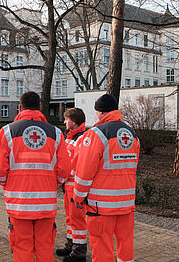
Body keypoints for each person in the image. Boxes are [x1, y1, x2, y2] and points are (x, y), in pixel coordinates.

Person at [0, 91, 70, 261]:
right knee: (45, 249)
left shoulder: (6, 132)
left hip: (18, 203)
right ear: (40, 108)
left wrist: (7, 183)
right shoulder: (56, 133)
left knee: (22, 249)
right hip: (46, 204)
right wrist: (50, 183)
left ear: (20, 108)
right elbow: (64, 170)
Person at [73, 94, 140, 262]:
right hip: (126, 202)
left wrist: (78, 197)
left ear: (100, 112)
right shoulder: (132, 134)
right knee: (125, 245)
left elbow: (84, 172)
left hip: (101, 206)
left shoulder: (95, 134)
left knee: (102, 245)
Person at [55, 108, 87, 262]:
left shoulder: (81, 139)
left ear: (73, 121)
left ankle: (79, 252)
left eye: (66, 119)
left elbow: (75, 164)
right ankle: (71, 245)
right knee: (70, 219)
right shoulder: (71, 137)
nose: (64, 122)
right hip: (68, 186)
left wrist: (61, 176)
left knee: (78, 220)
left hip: (75, 187)